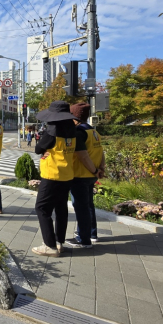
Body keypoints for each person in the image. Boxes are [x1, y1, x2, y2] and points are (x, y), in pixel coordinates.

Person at [31, 101, 81, 257]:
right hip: (67, 174)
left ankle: (49, 245)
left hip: (52, 174)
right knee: (61, 209)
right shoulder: (73, 129)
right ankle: (59, 242)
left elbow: (38, 148)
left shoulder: (52, 130)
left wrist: (44, 149)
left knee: (42, 208)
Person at [67, 103, 105, 247]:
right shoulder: (94, 132)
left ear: (74, 117)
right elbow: (101, 153)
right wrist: (101, 169)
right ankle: (92, 233)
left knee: (81, 208)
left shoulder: (78, 133)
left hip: (80, 175)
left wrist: (95, 170)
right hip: (91, 175)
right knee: (89, 205)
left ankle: (84, 239)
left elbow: (83, 157)